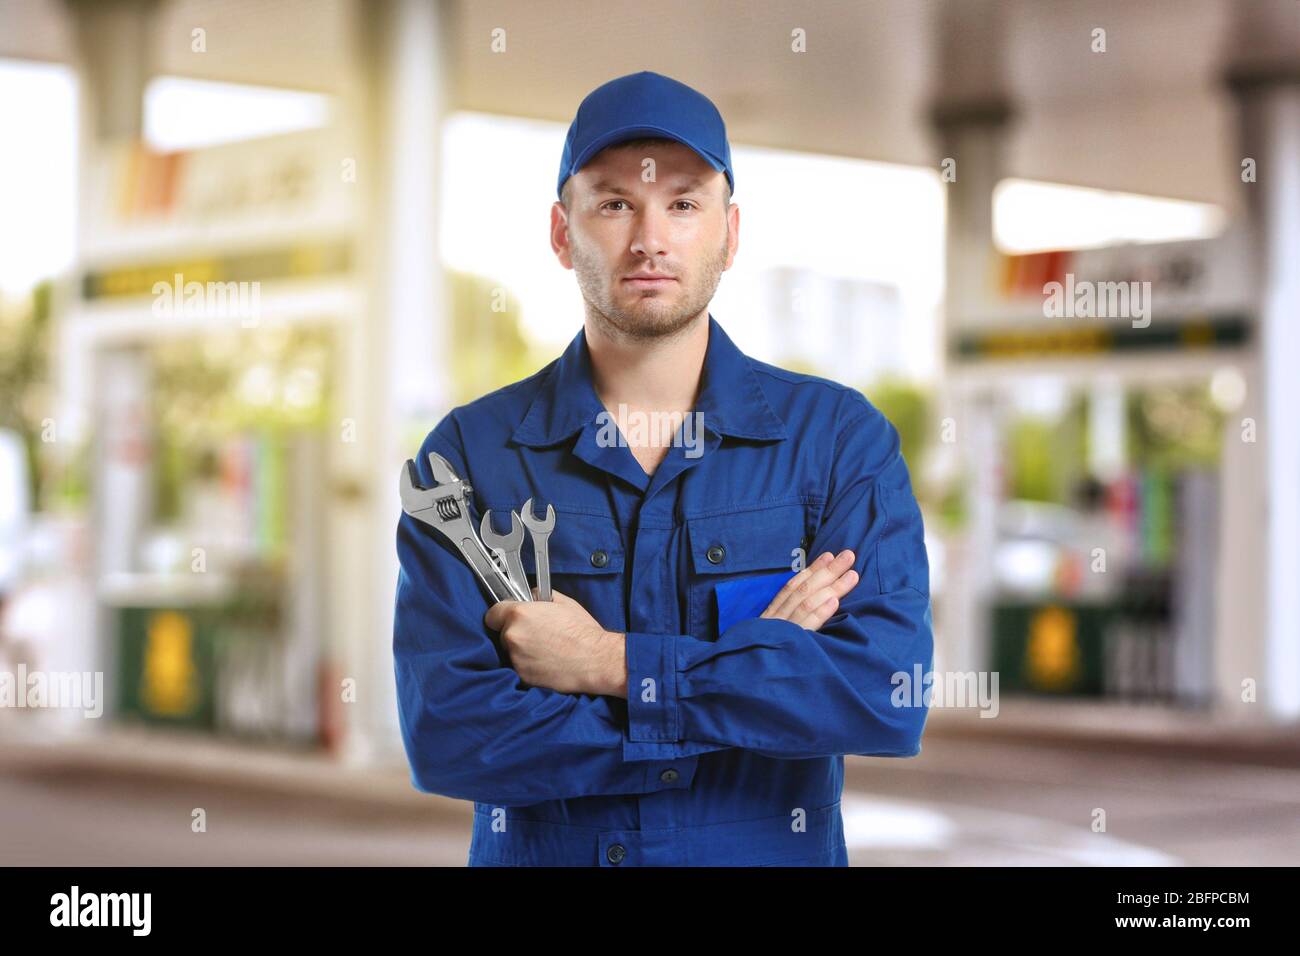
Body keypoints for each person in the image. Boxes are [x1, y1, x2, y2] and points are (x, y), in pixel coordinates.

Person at [393, 70, 933, 867]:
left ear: (730, 232)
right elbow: (452, 736)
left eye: (683, 203)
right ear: (560, 231)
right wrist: (753, 674)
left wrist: (605, 664)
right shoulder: (472, 456)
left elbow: (885, 696)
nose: (650, 238)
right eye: (615, 203)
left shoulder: (837, 442)